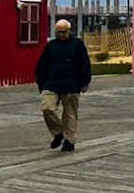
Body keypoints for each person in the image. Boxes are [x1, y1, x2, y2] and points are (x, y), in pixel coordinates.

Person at [34, 17, 92, 152]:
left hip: (72, 84)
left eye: (64, 32)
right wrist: (40, 82)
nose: (61, 35)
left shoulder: (77, 44)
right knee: (47, 108)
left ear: (69, 30)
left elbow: (84, 63)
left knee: (70, 114)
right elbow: (42, 65)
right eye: (59, 32)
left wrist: (85, 82)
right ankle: (58, 132)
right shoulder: (51, 45)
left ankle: (69, 140)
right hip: (51, 83)